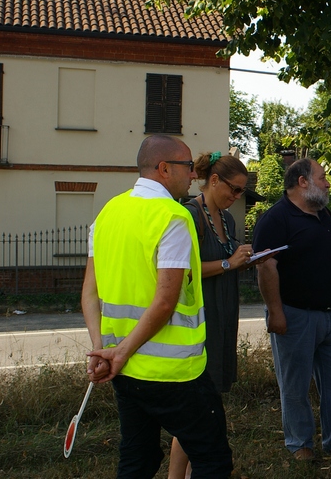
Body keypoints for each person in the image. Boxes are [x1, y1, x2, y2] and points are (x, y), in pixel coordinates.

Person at [81, 135, 233, 478]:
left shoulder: (108, 213)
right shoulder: (172, 217)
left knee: (138, 459)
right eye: (188, 166)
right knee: (212, 460)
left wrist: (102, 350)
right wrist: (114, 354)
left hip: (126, 369)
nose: (194, 174)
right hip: (174, 373)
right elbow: (165, 301)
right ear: (164, 169)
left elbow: (89, 294)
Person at [252, 158, 331, 460]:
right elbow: (266, 269)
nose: (328, 183)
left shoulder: (322, 214)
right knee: (295, 384)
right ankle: (300, 444)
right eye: (323, 177)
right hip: (294, 316)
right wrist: (275, 312)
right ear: (302, 182)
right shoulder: (276, 220)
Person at [169, 151, 264, 479]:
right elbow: (183, 271)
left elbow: (229, 261)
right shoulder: (189, 216)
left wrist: (245, 259)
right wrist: (228, 263)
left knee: (208, 407)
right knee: (195, 411)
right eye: (234, 189)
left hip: (223, 317)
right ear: (212, 180)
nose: (238, 197)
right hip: (200, 321)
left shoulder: (227, 219)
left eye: (241, 191)